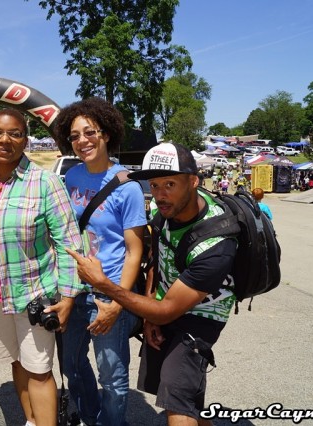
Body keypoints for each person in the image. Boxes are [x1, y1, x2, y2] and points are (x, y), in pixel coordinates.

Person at [66, 141, 239, 426]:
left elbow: (168, 310)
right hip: (166, 302)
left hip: (201, 315)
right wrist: (149, 316)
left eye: (170, 184)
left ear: (194, 181)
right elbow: (154, 265)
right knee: (186, 397)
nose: (160, 194)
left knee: (175, 399)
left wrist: (105, 285)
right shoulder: (164, 215)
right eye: (155, 185)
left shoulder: (216, 245)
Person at [0, 108, 83, 426]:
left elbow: (70, 245)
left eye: (14, 133)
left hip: (32, 295)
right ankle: (31, 421)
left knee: (38, 370)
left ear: (25, 140)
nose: (4, 140)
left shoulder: (45, 182)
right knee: (17, 362)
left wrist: (67, 297)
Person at [52, 97, 147, 426]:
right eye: (75, 136)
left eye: (89, 132)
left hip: (107, 295)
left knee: (113, 378)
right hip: (73, 290)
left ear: (106, 134)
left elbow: (135, 251)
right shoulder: (72, 177)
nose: (82, 141)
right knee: (72, 366)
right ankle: (91, 419)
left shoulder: (127, 186)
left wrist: (118, 302)